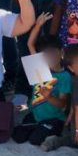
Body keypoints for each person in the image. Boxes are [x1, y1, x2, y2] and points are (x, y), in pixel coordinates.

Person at [13, 13, 71, 146]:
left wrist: (49, 97)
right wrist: (38, 25)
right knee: (18, 136)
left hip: (54, 118)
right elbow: (30, 44)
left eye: (53, 54)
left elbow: (62, 104)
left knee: (35, 139)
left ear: (61, 53)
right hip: (35, 115)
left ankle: (54, 136)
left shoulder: (65, 76)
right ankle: (38, 128)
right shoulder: (40, 68)